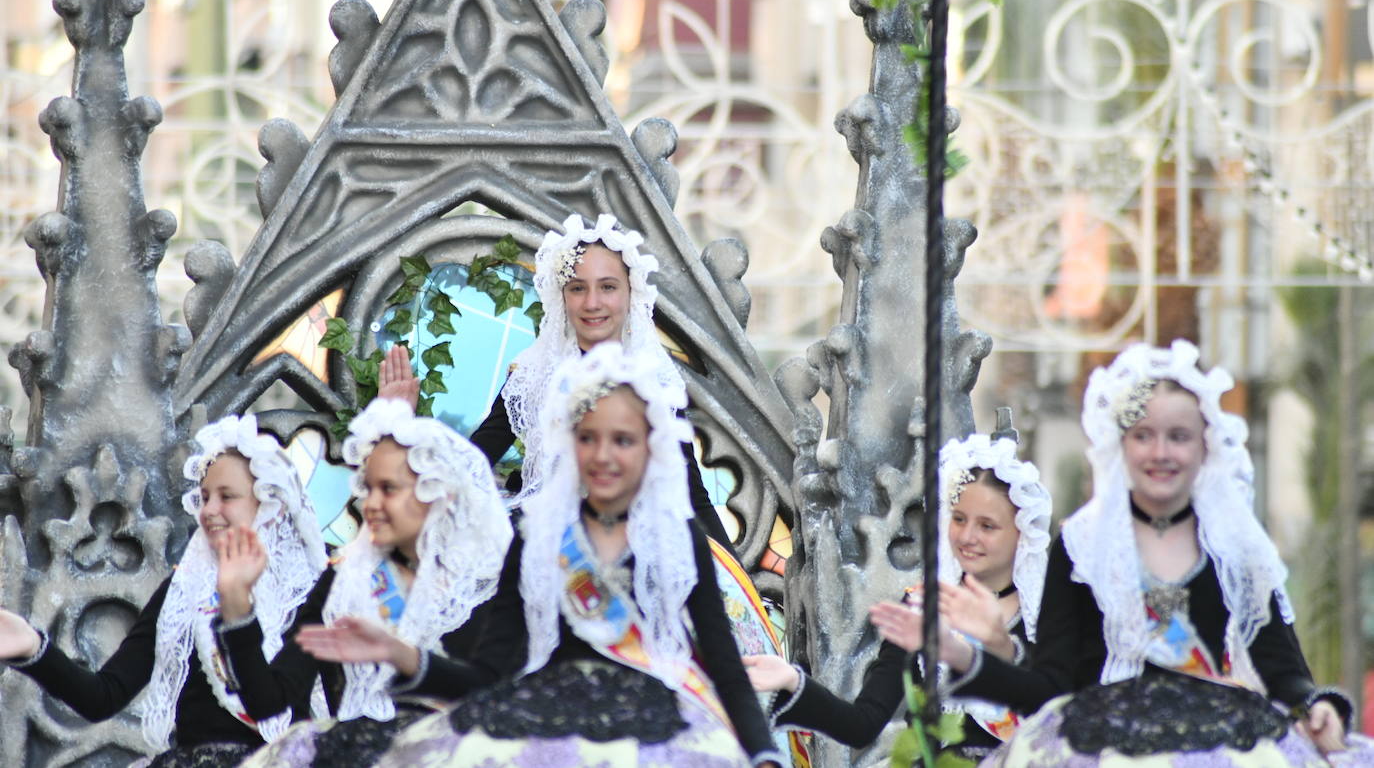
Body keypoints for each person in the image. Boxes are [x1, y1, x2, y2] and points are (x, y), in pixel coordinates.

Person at [295, 343, 786, 767]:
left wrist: (762, 755)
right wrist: (401, 654)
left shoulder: (679, 540)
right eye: (588, 438)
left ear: (649, 447)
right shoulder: (535, 540)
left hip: (656, 741)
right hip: (550, 741)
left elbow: (725, 670)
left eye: (622, 440)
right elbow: (487, 678)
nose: (603, 455)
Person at [938, 340, 1373, 766]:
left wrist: (1317, 707)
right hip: (1103, 752)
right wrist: (978, 655)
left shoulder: (1237, 548)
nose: (1160, 452)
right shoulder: (1081, 548)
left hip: (1224, 748)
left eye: (1178, 436)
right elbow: (1053, 688)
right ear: (1120, 444)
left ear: (1206, 445)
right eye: (1144, 435)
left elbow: (1281, 670)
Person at [0, 415, 326, 768]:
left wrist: (237, 609)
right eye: (204, 497)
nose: (210, 510)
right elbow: (103, 697)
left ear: (271, 506)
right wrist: (32, 647)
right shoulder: (184, 589)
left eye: (227, 496)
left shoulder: (307, 598)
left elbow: (275, 703)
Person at [223, 397, 513, 767]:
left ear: (437, 492)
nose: (370, 504)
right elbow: (269, 700)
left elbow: (497, 695)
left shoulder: (485, 586)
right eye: (368, 488)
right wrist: (237, 611)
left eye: (388, 489)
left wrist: (401, 655)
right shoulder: (344, 581)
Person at [746, 434, 1051, 761]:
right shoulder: (922, 608)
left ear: (1023, 531)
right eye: (959, 519)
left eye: (987, 526)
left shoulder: (1048, 616)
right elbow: (862, 723)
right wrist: (792, 681)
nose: (967, 536)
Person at [450, 212, 733, 547]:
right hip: (551, 550)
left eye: (608, 287)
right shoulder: (534, 374)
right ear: (562, 297)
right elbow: (475, 462)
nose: (593, 303)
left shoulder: (652, 382)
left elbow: (689, 491)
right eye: (578, 288)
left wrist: (738, 580)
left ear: (631, 293)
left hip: (629, 552)